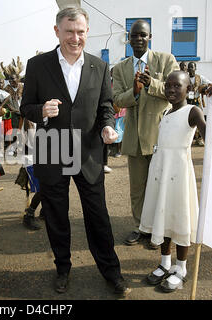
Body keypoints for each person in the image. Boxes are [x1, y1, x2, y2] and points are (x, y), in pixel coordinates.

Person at [20, 7, 129, 296]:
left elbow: (106, 106)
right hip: (52, 152)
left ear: (87, 32)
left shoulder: (99, 66)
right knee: (56, 215)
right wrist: (41, 110)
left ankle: (111, 272)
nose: (75, 38)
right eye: (69, 31)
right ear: (57, 31)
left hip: (88, 153)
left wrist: (107, 126)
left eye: (80, 32)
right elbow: (25, 107)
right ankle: (63, 268)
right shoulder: (37, 65)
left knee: (98, 216)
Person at [112, 19, 179, 248]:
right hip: (134, 138)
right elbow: (117, 100)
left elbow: (176, 91)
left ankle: (159, 230)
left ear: (150, 37)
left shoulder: (165, 60)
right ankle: (141, 228)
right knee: (138, 188)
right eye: (134, 35)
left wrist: (153, 84)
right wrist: (136, 91)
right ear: (128, 39)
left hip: (161, 137)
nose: (138, 39)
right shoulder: (120, 68)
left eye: (143, 35)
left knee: (161, 186)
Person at [139, 71, 206, 292]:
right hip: (161, 172)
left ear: (189, 89)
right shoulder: (166, 113)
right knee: (164, 215)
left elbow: (207, 134)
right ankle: (165, 263)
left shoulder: (192, 112)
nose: (171, 90)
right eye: (168, 86)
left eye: (177, 86)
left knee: (180, 217)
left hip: (179, 174)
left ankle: (181, 268)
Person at [20, 117, 42, 230]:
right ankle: (29, 215)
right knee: (42, 189)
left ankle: (45, 212)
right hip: (31, 159)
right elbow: (34, 141)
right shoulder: (30, 118)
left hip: (41, 157)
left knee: (49, 185)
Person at [186, 62, 211, 145]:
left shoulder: (199, 78)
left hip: (196, 101)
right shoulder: (184, 78)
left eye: (192, 67)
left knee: (200, 120)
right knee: (186, 120)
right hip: (187, 101)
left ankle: (199, 139)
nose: (190, 69)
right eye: (189, 67)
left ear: (195, 68)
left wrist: (204, 88)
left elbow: (209, 83)